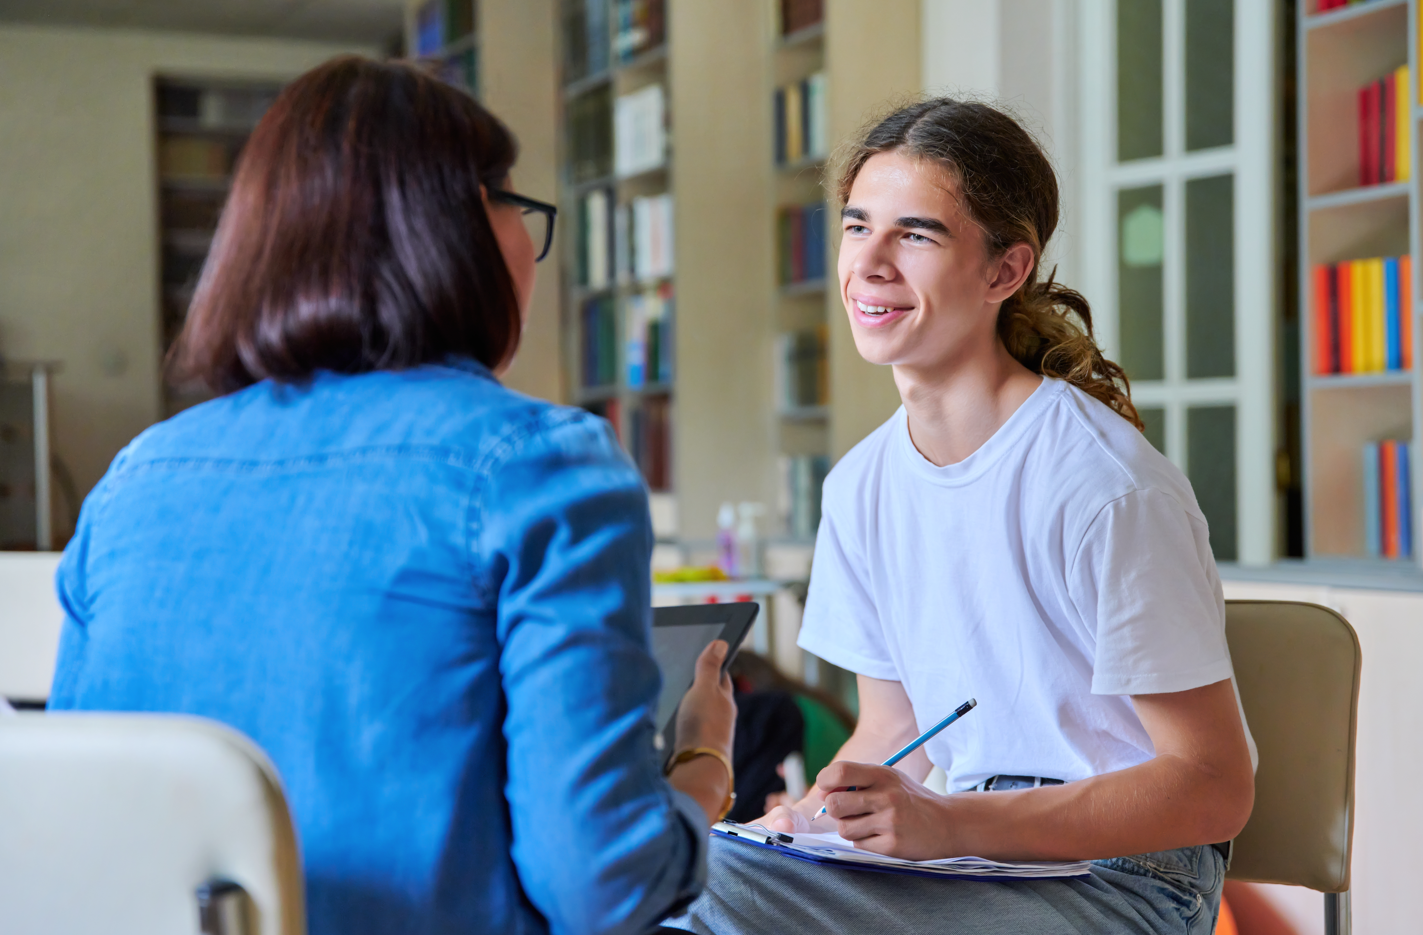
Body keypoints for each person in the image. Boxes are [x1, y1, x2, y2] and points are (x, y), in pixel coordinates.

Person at [48, 56, 735, 935]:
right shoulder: (545, 466)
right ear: (458, 232)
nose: (529, 243)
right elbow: (599, 886)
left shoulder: (134, 481)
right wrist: (702, 769)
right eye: (515, 207)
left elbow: (75, 816)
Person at [669, 98, 1256, 934]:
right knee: (681, 880)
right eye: (855, 226)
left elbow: (1212, 785)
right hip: (956, 858)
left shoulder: (1103, 484)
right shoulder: (860, 486)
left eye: (914, 235)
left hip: (1127, 879)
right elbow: (893, 727)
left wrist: (952, 823)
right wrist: (797, 820)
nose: (868, 264)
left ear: (1003, 271)